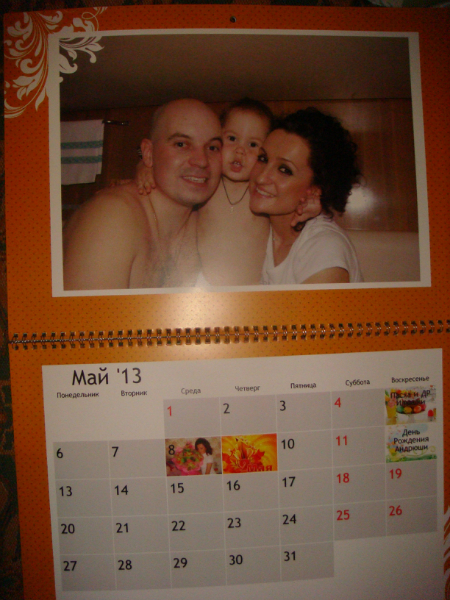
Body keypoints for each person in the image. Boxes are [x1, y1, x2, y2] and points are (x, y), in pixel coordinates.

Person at [134, 98, 320, 287]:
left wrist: (308, 206)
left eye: (253, 145)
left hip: (252, 288)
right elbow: (169, 181)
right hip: (204, 284)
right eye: (232, 139)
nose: (240, 151)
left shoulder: (262, 194)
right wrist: (145, 167)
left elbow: (288, 218)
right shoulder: (207, 186)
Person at [63, 99, 222, 289]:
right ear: (148, 153)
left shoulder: (207, 220)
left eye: (213, 148)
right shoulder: (111, 218)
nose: (202, 161)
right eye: (181, 144)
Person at [249, 107, 363, 284]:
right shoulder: (259, 228)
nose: (261, 177)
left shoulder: (325, 247)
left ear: (316, 189)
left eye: (284, 170)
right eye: (263, 159)